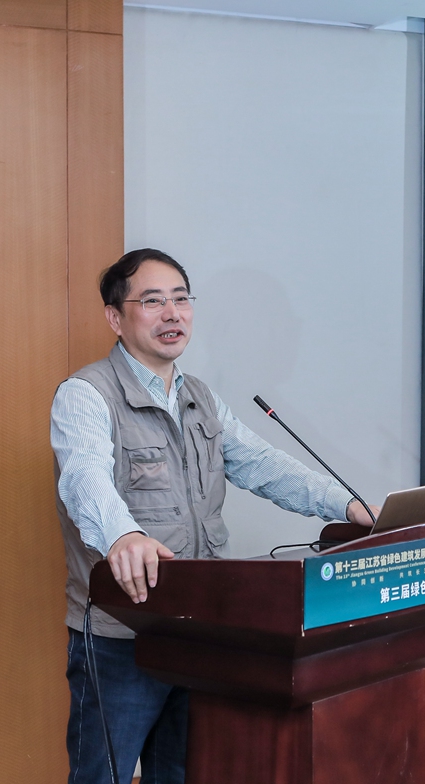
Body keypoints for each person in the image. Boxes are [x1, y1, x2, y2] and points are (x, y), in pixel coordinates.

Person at [51, 248, 377, 784]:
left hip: (199, 629)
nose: (172, 314)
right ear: (115, 317)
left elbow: (264, 465)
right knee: (101, 776)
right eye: (152, 301)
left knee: (184, 773)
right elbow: (85, 478)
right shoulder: (86, 394)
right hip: (121, 633)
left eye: (181, 299)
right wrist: (123, 535)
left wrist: (348, 505)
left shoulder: (199, 397)